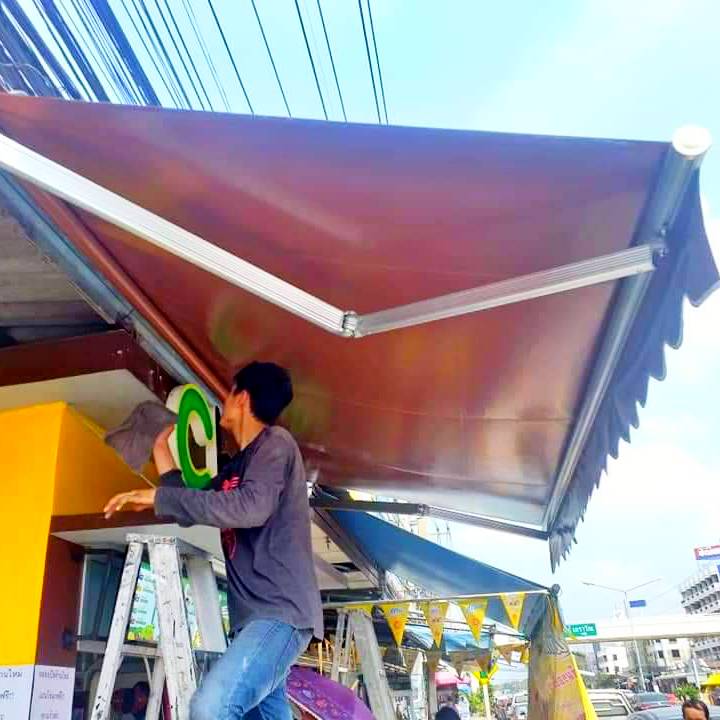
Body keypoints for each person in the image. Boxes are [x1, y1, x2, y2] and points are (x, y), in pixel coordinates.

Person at [104, 362, 323, 720]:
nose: (224, 400)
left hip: (279, 614)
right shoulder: (236, 469)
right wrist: (160, 447)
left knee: (210, 708)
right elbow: (189, 507)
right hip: (255, 620)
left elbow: (251, 509)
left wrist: (157, 498)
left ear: (242, 398)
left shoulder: (276, 443)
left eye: (228, 392)